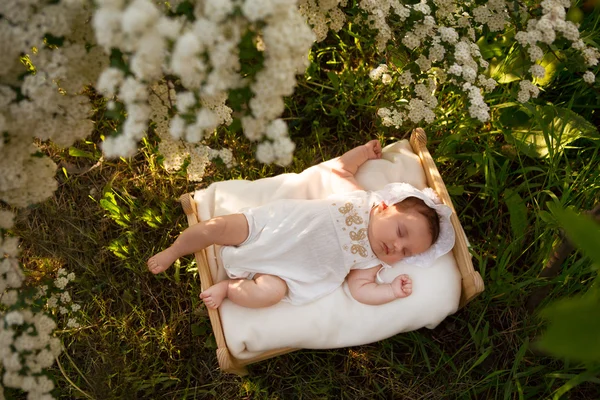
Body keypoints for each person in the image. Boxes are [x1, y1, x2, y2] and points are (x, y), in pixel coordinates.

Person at [147, 140, 454, 309]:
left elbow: (361, 291)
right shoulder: (361, 201)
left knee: (268, 295)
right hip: (268, 227)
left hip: (285, 273)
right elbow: (339, 171)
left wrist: (390, 291)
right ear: (385, 207)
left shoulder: (372, 262)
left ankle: (229, 287)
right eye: (401, 233)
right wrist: (361, 153)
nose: (397, 247)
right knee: (215, 227)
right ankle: (176, 250)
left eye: (406, 253)